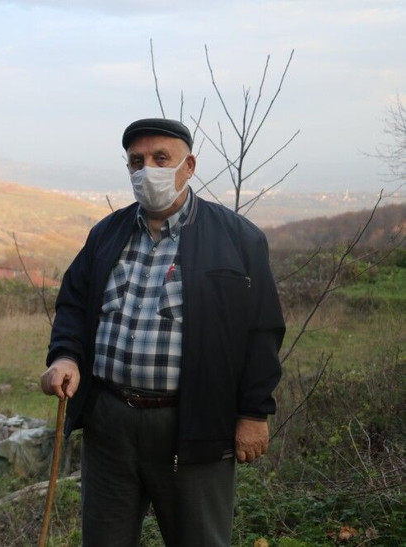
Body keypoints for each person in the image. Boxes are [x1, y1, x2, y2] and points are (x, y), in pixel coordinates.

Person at [40, 118, 285, 546]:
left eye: (160, 159)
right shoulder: (107, 233)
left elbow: (262, 329)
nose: (147, 169)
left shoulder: (236, 239)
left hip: (193, 425)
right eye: (137, 161)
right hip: (109, 422)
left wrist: (253, 413)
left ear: (188, 166)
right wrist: (65, 356)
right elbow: (74, 304)